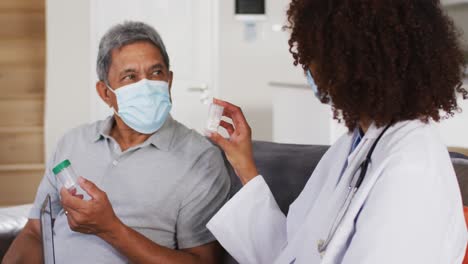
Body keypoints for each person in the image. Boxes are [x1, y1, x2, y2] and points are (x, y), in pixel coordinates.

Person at [206, 1, 468, 263]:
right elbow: (290, 251)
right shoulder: (353, 145)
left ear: (351, 59)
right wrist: (243, 164)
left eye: (314, 50)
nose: (306, 64)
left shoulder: (412, 163)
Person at [3, 21, 230, 264]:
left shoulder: (200, 159)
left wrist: (110, 228)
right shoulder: (73, 143)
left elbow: (203, 262)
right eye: (130, 76)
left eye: (156, 73)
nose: (147, 86)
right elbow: (35, 232)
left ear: (170, 80)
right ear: (105, 93)